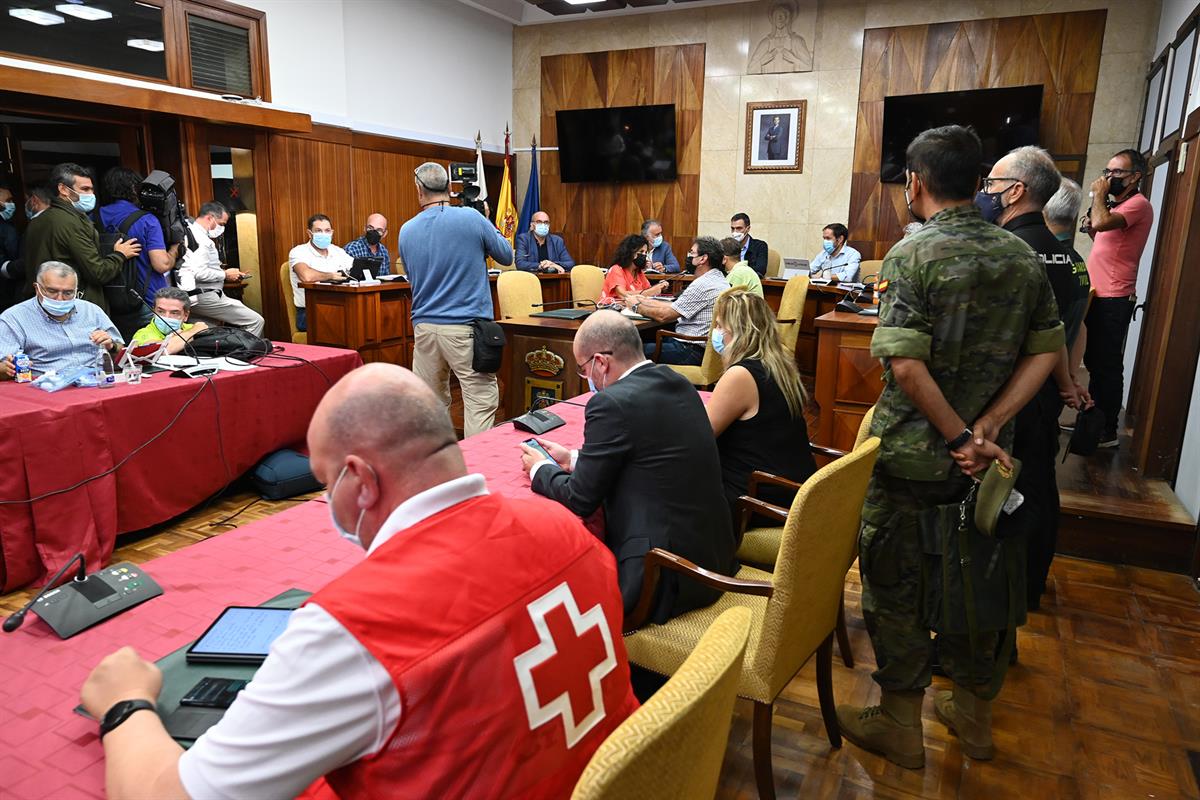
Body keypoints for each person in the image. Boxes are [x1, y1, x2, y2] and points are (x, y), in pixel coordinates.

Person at [79, 362, 638, 799]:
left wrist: (124, 704)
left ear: (359, 481)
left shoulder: (354, 627)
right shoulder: (566, 528)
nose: (327, 500)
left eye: (326, 483)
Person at [835, 125, 1065, 770]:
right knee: (977, 585)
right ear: (978, 181)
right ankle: (974, 718)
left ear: (915, 180)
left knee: (896, 587)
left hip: (913, 460)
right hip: (988, 467)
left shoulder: (912, 255)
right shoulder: (1021, 255)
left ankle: (901, 725)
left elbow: (906, 366)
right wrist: (989, 427)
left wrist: (960, 434)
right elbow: (1048, 350)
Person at [520, 311, 736, 623]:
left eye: (583, 370)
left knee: (557, 597)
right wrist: (575, 459)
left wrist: (540, 469)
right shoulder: (678, 382)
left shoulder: (610, 403)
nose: (588, 379)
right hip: (713, 555)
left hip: (663, 577)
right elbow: (653, 452)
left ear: (601, 363)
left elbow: (581, 499)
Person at [979, 146, 1091, 614]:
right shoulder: (1066, 256)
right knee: (1040, 485)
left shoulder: (1012, 250)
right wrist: (1067, 382)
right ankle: (1028, 587)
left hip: (1011, 394)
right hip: (1044, 390)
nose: (985, 192)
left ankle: (1002, 596)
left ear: (1015, 191)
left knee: (1005, 495)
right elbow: (1062, 332)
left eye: (991, 184)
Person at [399, 162, 513, 436]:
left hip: (425, 328)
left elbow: (413, 277)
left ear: (418, 191)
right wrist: (486, 220)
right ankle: (476, 467)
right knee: (479, 399)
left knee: (430, 403)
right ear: (450, 189)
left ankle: (437, 467)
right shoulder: (471, 219)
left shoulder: (406, 230)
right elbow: (506, 256)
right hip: (465, 328)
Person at [706, 287, 815, 531]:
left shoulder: (740, 375)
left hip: (755, 500)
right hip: (789, 488)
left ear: (736, 331)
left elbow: (700, 436)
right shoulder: (781, 364)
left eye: (720, 326)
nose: (716, 333)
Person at [1082, 149, 1154, 447]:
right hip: (1098, 292)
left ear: (1135, 176)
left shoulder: (1139, 204)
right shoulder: (1118, 206)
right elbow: (1103, 236)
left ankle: (1106, 430)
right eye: (1107, 171)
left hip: (1114, 296)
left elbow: (1100, 223)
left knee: (1106, 365)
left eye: (1116, 173)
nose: (1108, 178)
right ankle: (1092, 421)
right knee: (1093, 360)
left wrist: (1098, 197)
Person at [22, 162, 142, 319]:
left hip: (46, 306)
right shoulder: (70, 223)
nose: (91, 195)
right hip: (76, 309)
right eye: (84, 189)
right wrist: (119, 255)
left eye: (92, 189)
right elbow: (97, 272)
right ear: (63, 189)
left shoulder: (39, 220)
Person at [0, 261, 121, 379]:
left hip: (97, 381)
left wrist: (112, 346)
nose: (60, 299)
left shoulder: (92, 310)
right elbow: (4, 369)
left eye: (68, 293)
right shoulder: (14, 318)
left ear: (76, 290)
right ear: (37, 288)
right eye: (52, 291)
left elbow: (123, 353)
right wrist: (9, 368)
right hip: (48, 386)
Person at [98, 167, 175, 338]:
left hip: (110, 301)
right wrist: (175, 250)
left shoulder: (93, 218)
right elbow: (161, 264)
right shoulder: (146, 220)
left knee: (121, 356)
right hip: (146, 300)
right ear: (134, 189)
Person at [633, 236, 730, 366]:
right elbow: (677, 305)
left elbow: (664, 316)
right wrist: (643, 300)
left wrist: (636, 307)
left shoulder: (702, 284)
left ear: (703, 258)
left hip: (689, 351)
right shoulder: (719, 279)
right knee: (646, 338)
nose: (689, 256)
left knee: (631, 350)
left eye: (692, 252)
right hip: (703, 348)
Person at [179, 201, 264, 337]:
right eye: (222, 224)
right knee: (255, 321)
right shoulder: (200, 240)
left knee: (207, 333)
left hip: (198, 295)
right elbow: (198, 272)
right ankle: (242, 354)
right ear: (210, 218)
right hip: (205, 295)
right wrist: (225, 274)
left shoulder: (194, 234)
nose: (222, 228)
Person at [1045, 178, 1091, 393]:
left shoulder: (1049, 261)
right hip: (1059, 377)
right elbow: (1080, 326)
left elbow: (1050, 332)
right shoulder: (1077, 260)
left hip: (1044, 377)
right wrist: (1072, 377)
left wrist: (1066, 381)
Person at [289, 213, 354, 333]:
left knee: (363, 320)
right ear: (309, 233)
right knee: (349, 325)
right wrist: (331, 275)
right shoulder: (298, 252)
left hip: (340, 307)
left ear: (332, 232)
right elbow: (306, 276)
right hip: (309, 312)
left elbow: (355, 271)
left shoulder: (338, 251)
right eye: (318, 231)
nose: (324, 234)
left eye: (327, 230)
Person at [129, 287, 209, 355]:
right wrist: (194, 332)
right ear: (153, 311)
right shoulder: (142, 334)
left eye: (174, 312)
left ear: (186, 315)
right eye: (161, 311)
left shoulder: (191, 327)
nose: (166, 317)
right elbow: (162, 350)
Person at [598, 234, 667, 307]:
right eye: (641, 251)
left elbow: (648, 290)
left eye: (645, 252)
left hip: (633, 309)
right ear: (630, 252)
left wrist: (659, 286)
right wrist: (651, 291)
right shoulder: (616, 269)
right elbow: (623, 295)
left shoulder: (638, 272)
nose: (644, 255)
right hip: (613, 311)